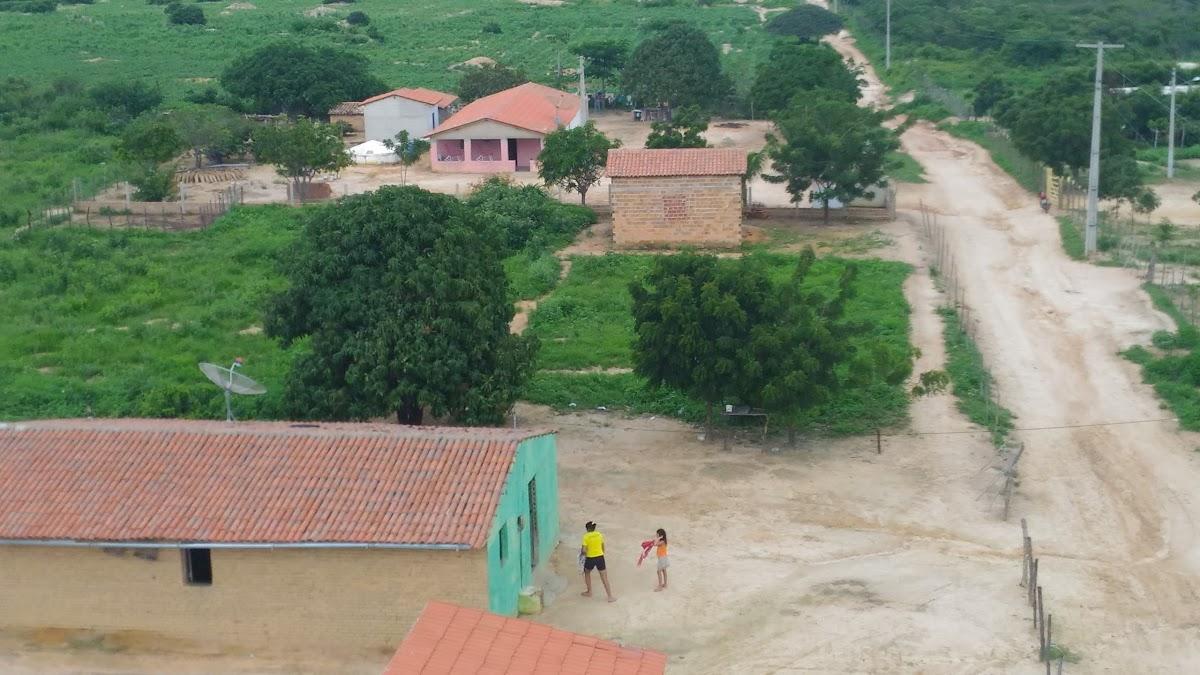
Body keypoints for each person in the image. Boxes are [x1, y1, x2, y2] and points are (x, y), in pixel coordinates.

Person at [580, 521, 616, 602]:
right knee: (604, 577)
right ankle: (610, 596)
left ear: (588, 529)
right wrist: (600, 553)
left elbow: (584, 550)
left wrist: (583, 554)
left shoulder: (585, 536)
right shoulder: (599, 534)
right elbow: (603, 547)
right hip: (600, 557)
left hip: (590, 558)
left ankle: (589, 592)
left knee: (587, 572)